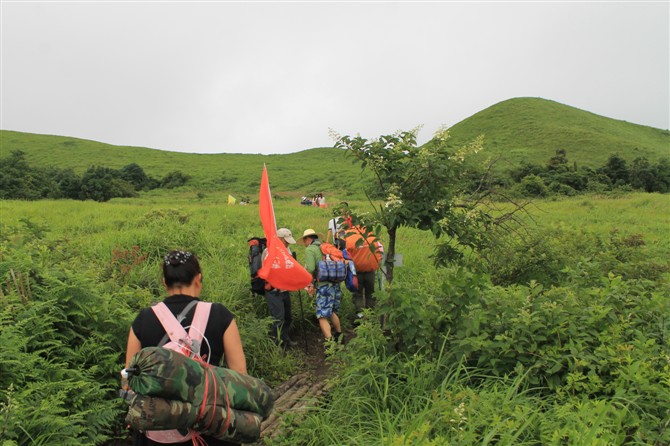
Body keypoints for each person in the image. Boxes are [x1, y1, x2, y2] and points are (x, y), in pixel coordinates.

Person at [125, 250, 247, 446]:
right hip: (210, 430)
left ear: (164, 282)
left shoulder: (143, 319)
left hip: (159, 433)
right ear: (198, 278)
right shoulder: (219, 314)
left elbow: (129, 379)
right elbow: (240, 374)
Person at [300, 228, 343, 344]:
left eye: (304, 241)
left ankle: (330, 345)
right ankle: (340, 336)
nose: (304, 244)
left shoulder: (310, 249)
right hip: (335, 284)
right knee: (332, 311)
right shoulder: (326, 247)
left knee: (322, 316)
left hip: (323, 286)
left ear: (308, 239)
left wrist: (309, 285)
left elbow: (310, 268)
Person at [262, 228, 298, 348]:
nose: (288, 243)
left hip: (285, 290)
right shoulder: (268, 252)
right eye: (286, 241)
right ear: (280, 239)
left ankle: (286, 339)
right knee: (278, 319)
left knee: (287, 317)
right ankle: (278, 345)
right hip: (274, 291)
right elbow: (267, 270)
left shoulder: (287, 250)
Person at [345, 226, 383, 319]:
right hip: (370, 271)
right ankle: (371, 314)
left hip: (356, 272)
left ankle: (360, 316)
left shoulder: (349, 239)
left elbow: (345, 254)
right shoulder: (371, 237)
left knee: (358, 294)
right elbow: (380, 251)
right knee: (370, 293)